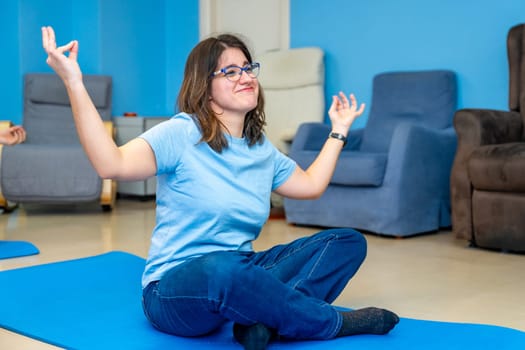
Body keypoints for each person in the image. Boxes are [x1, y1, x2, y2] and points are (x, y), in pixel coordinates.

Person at [41, 26, 399, 349]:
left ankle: (265, 324)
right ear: (204, 87)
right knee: (221, 269)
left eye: (247, 68)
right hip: (173, 292)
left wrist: (339, 130)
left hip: (241, 270)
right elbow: (111, 164)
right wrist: (74, 82)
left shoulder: (261, 149)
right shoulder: (182, 133)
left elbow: (311, 185)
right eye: (230, 71)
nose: (245, 77)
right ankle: (329, 323)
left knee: (346, 242)